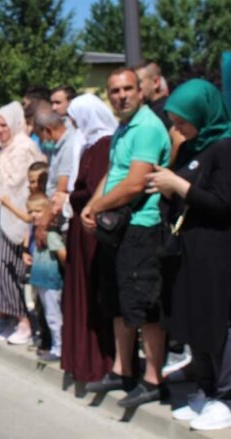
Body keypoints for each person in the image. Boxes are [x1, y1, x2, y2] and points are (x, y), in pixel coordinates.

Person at [81, 67, 171, 408]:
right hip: (120, 227)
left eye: (127, 89)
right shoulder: (124, 128)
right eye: (115, 91)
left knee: (145, 303)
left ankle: (153, 379)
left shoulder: (146, 127)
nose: (121, 96)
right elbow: (113, 172)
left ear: (141, 91)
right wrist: (91, 206)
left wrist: (98, 205)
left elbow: (135, 183)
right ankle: (122, 370)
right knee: (120, 301)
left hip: (142, 226)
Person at [145, 79, 231, 430]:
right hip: (190, 251)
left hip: (217, 252)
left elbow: (223, 204)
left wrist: (178, 185)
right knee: (196, 320)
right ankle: (208, 389)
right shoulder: (194, 147)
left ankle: (226, 396)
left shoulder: (224, 148)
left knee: (219, 322)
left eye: (183, 121)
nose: (177, 129)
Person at [61, 93, 116, 384]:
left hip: (92, 230)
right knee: (82, 295)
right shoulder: (89, 145)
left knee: (94, 295)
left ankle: (98, 363)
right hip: (81, 230)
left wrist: (73, 195)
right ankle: (83, 361)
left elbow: (96, 188)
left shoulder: (104, 144)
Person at [0, 101, 45, 345]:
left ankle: (25, 320)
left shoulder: (23, 147)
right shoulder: (8, 148)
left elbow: (17, 182)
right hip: (3, 214)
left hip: (20, 217)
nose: (1, 131)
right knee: (1, 269)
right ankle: (12, 317)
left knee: (12, 269)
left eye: (5, 125)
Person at [22, 193, 66, 362]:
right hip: (41, 281)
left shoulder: (50, 235)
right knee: (47, 315)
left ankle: (59, 348)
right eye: (30, 211)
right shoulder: (37, 232)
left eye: (38, 211)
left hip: (50, 282)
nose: (34, 215)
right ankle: (55, 345)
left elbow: (63, 256)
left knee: (54, 316)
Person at [33, 107, 78, 217]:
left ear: (48, 129)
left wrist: (46, 220)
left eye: (40, 137)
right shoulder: (58, 144)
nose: (42, 141)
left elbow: (62, 187)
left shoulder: (69, 146)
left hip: (60, 212)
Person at [134, 60, 171, 129]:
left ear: (156, 82)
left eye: (139, 82)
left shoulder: (167, 111)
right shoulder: (143, 110)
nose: (135, 87)